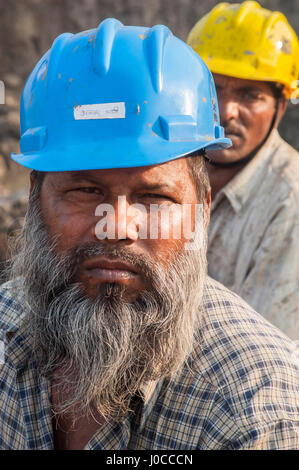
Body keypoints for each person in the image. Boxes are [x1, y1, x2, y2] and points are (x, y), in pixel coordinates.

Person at [0, 19, 298, 450]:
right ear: (34, 200)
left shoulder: (254, 413)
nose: (117, 227)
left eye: (154, 197)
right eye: (86, 191)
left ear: (201, 209)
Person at [187, 1, 299, 340]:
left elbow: (267, 346)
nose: (226, 110)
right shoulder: (164, 171)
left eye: (250, 95)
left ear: (280, 106)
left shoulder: (290, 200)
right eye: (213, 89)